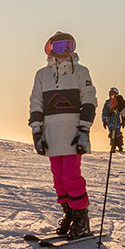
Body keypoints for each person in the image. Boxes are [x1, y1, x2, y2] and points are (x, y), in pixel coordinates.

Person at [29, 32, 98, 238]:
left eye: (69, 45)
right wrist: (37, 130)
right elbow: (36, 103)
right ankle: (68, 214)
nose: (65, 51)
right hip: (52, 132)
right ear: (50, 49)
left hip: (72, 132)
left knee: (71, 175)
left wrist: (84, 128)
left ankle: (81, 218)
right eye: (59, 47)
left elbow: (89, 100)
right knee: (58, 177)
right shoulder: (42, 75)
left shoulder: (81, 72)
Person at [102, 87, 125, 153]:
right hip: (110, 121)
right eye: (110, 93)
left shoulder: (118, 102)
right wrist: (104, 120)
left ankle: (120, 146)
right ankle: (113, 147)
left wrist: (123, 120)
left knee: (118, 134)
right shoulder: (107, 103)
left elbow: (122, 111)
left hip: (117, 121)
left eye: (113, 94)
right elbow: (104, 112)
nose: (111, 95)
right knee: (111, 134)